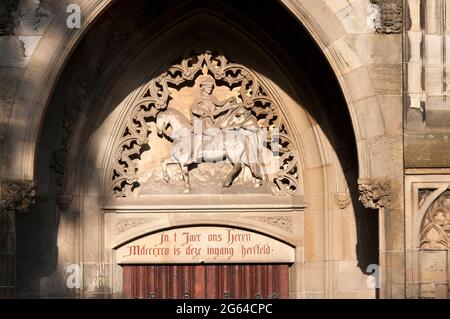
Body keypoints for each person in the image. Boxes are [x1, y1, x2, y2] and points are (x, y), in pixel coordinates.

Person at [190, 74, 236, 162]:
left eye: (211, 87)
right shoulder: (199, 99)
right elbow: (193, 108)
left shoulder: (212, 97)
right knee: (199, 135)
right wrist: (201, 112)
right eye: (208, 87)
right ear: (203, 88)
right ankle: (197, 153)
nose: (210, 89)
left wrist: (228, 101)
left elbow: (220, 104)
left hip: (211, 121)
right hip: (202, 121)